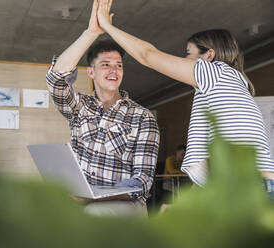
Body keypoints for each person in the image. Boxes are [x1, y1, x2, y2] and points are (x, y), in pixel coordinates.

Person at [96, 0, 274, 200]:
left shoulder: (213, 72)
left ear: (209, 55)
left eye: (188, 54)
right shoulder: (235, 81)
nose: (184, 60)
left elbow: (147, 55)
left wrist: (107, 26)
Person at [45, 0, 160, 216]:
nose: (113, 70)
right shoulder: (79, 108)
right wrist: (91, 32)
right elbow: (56, 80)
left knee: (94, 214)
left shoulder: (143, 117)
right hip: (80, 199)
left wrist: (92, 197)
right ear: (91, 73)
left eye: (119, 65)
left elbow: (142, 182)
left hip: (123, 204)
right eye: (105, 64)